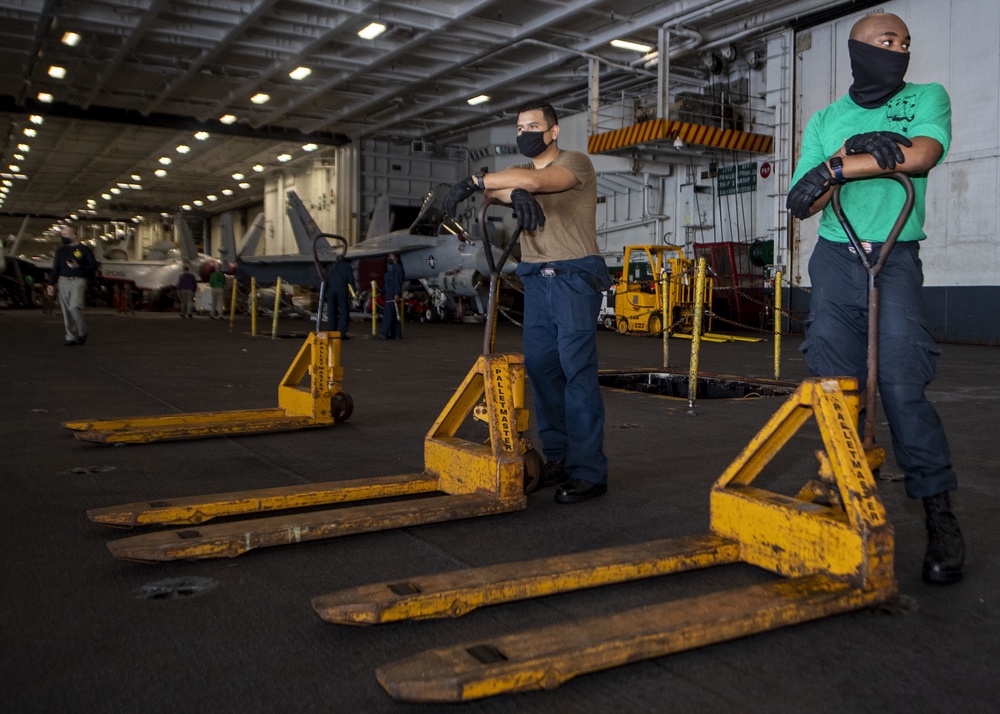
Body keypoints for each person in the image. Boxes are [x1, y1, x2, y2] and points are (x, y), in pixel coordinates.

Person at [786, 12, 963, 583]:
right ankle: (846, 496)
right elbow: (803, 200)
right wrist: (844, 155)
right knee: (837, 387)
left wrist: (839, 165)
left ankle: (939, 514)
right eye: (888, 42)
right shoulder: (825, 118)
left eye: (906, 43)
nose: (900, 50)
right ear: (858, 50)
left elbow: (920, 156)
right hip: (837, 258)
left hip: (894, 256)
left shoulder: (927, 97)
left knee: (903, 383)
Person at [443, 101, 611, 504]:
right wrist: (512, 190)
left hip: (573, 278)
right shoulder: (523, 175)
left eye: (533, 126)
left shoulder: (576, 162)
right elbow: (512, 187)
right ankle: (559, 458)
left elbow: (537, 182)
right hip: (536, 280)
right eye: (519, 128)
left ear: (552, 132)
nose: (525, 134)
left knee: (577, 374)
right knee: (542, 373)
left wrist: (477, 180)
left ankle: (589, 472)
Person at [47, 224, 97, 346]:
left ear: (74, 236)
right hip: (63, 280)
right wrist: (51, 283)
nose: (63, 237)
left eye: (65, 235)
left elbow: (93, 266)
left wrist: (78, 266)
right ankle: (70, 337)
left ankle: (82, 332)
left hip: (78, 280)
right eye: (62, 235)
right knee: (65, 310)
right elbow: (56, 268)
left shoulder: (85, 250)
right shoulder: (60, 251)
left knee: (74, 306)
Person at [325, 259, 357, 339]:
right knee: (343, 311)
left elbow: (324, 280)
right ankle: (342, 334)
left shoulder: (329, 266)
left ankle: (331, 332)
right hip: (342, 289)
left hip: (331, 289)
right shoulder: (346, 266)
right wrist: (353, 293)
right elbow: (350, 281)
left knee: (331, 311)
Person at [378, 252, 404, 340]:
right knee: (394, 315)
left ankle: (383, 334)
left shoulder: (397, 268)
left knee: (388, 315)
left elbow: (397, 281)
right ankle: (396, 334)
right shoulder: (394, 269)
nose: (389, 258)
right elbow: (389, 283)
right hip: (390, 293)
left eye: (390, 257)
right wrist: (381, 292)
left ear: (395, 258)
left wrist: (397, 293)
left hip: (392, 295)